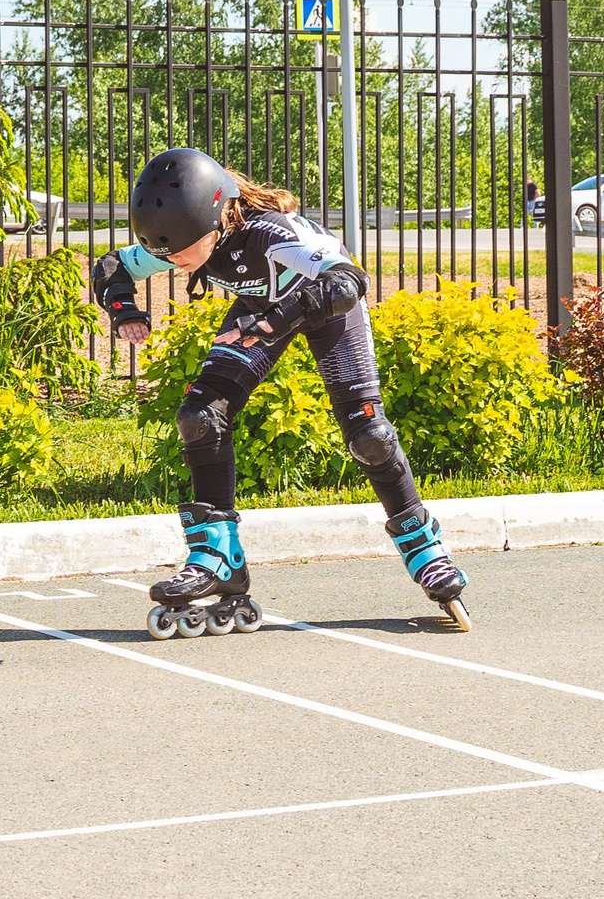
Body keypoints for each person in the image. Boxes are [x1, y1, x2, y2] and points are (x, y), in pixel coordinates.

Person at [91, 149, 472, 634]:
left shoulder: (272, 235)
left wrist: (272, 320)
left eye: (183, 251)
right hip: (262, 312)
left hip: (326, 310)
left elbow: (348, 282)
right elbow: (112, 267)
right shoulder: (190, 235)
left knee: (368, 435)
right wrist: (125, 310)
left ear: (217, 220)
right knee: (200, 417)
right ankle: (218, 556)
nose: (175, 263)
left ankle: (425, 550)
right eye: (166, 255)